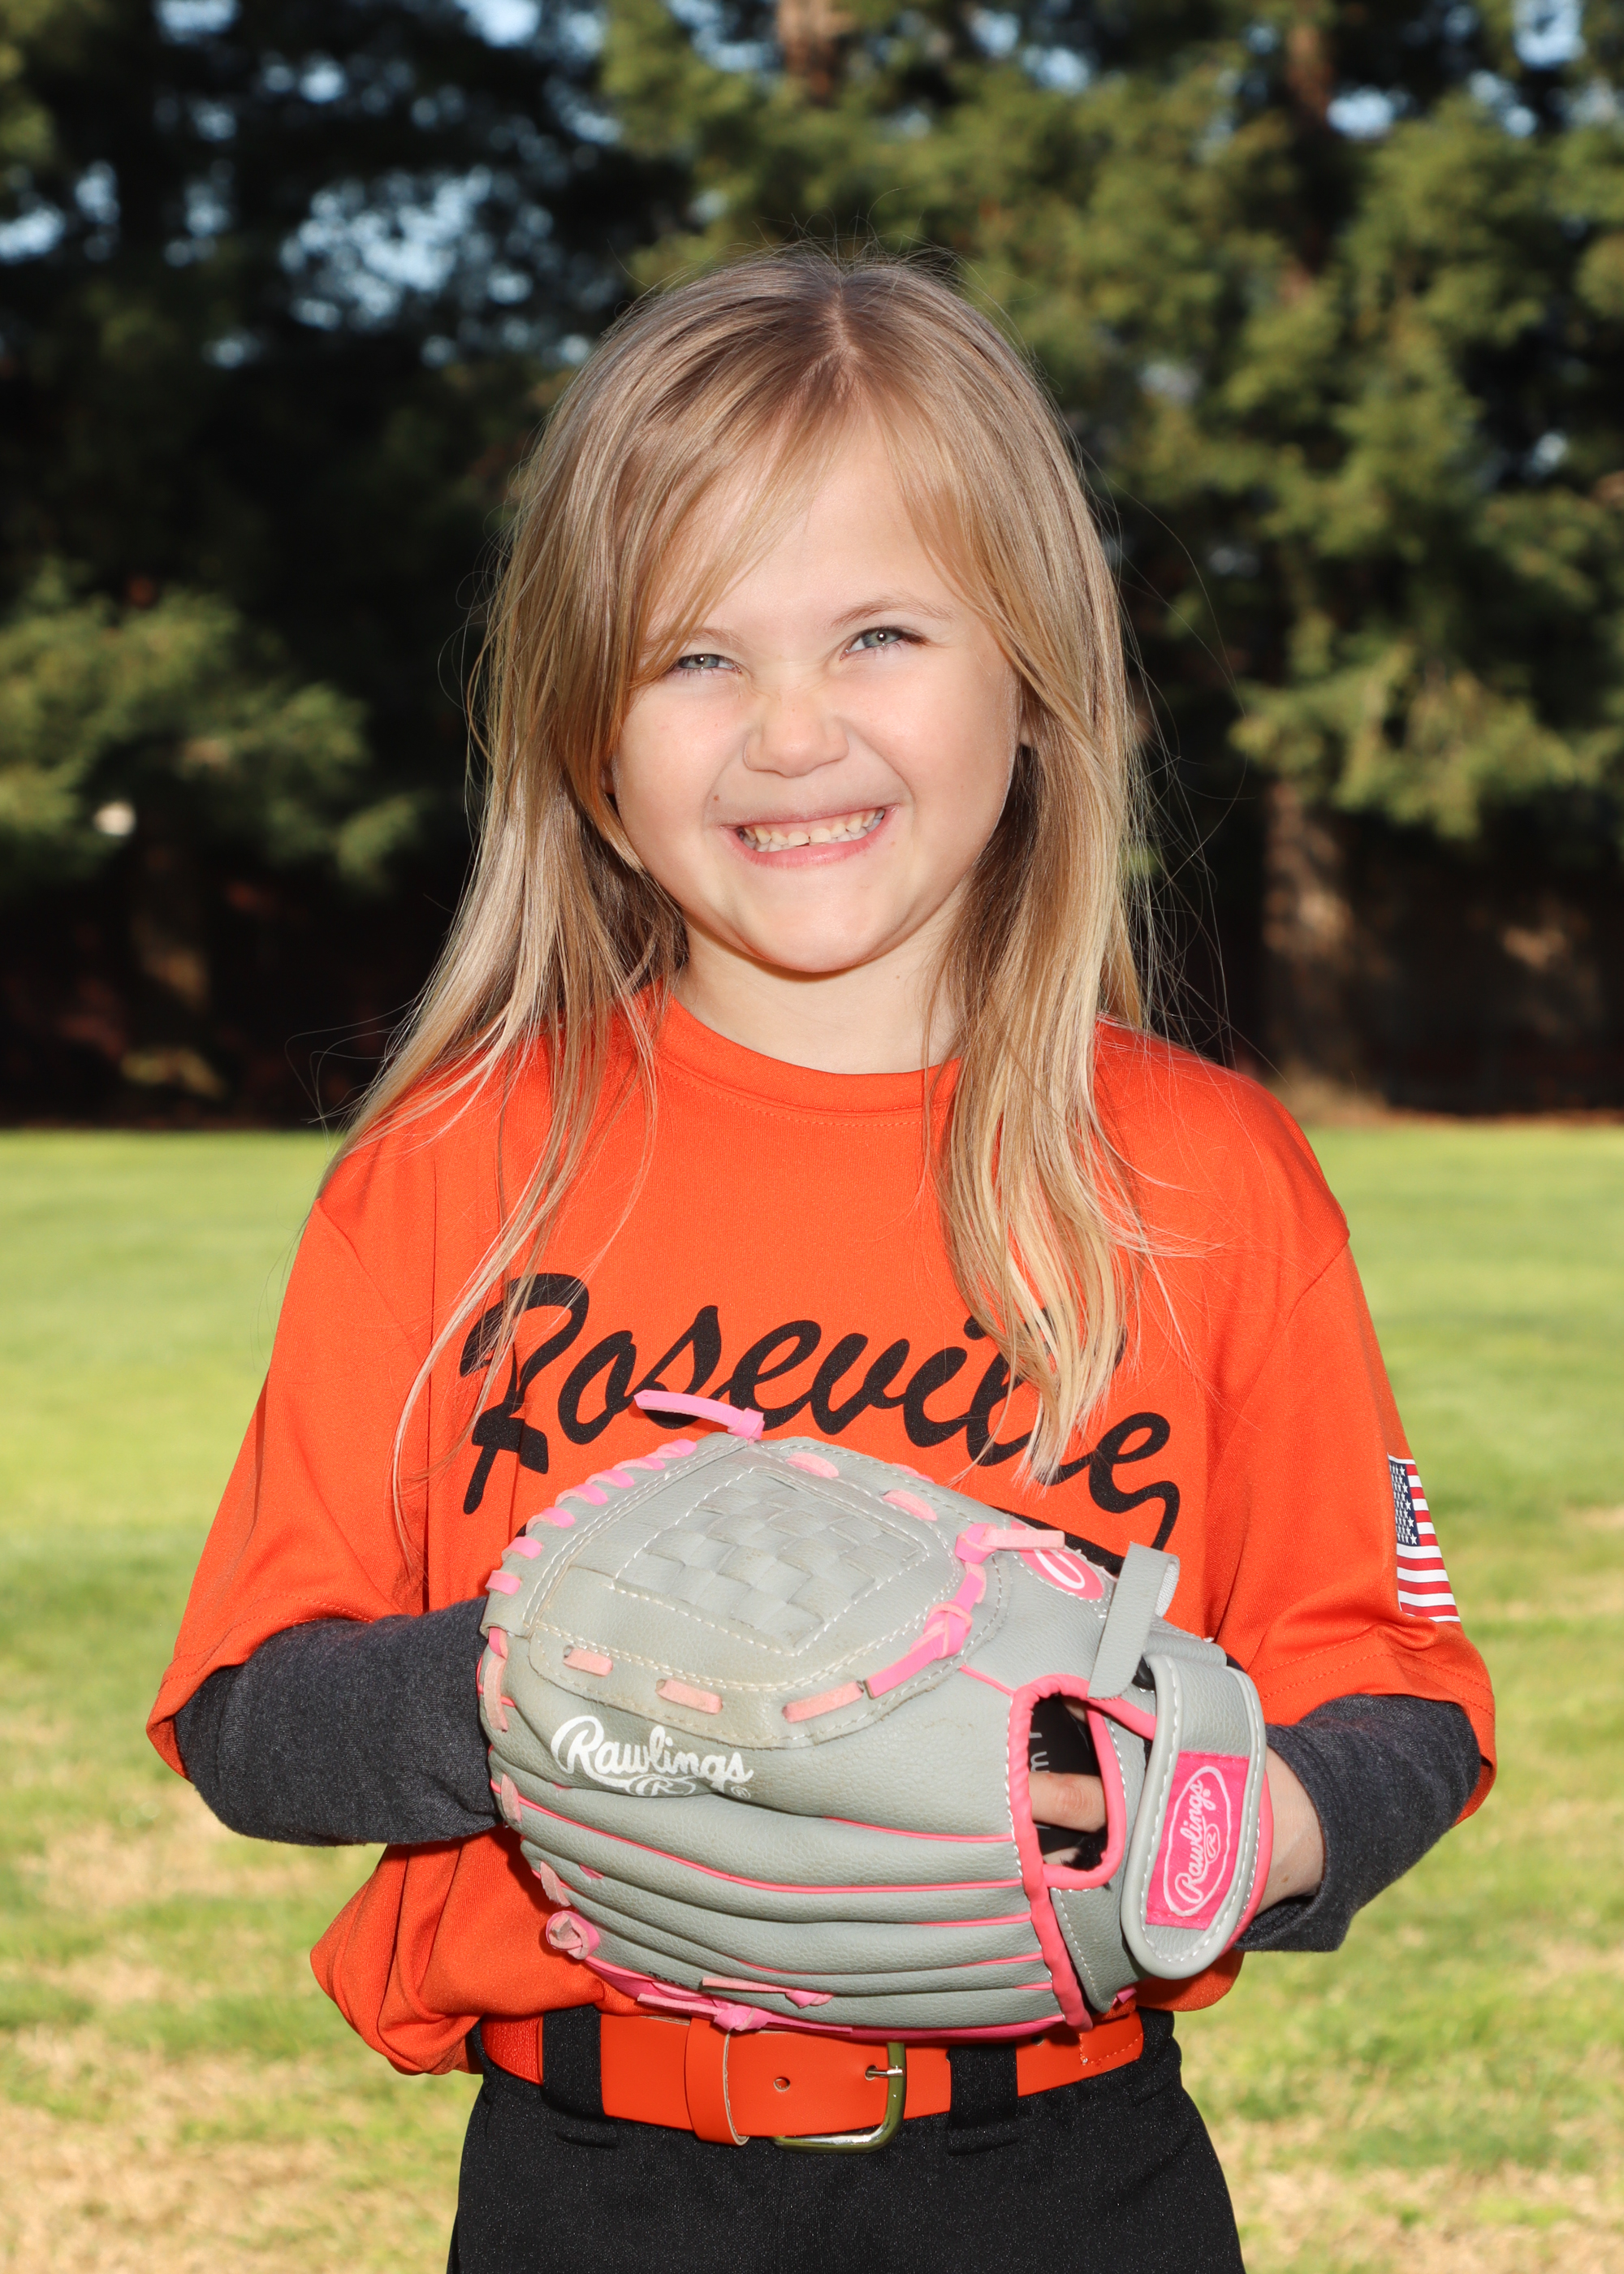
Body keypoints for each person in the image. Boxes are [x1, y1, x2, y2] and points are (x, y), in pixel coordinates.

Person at [149, 250, 1494, 2273]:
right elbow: (250, 1717)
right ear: (586, 739)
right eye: (693, 656)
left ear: (1030, 674)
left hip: (1062, 2177)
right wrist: (565, 1680)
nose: (791, 733)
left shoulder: (1203, 1176)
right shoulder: (453, 1170)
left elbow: (1398, 1699)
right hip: (595, 2184)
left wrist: (1200, 1816)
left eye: (878, 632)